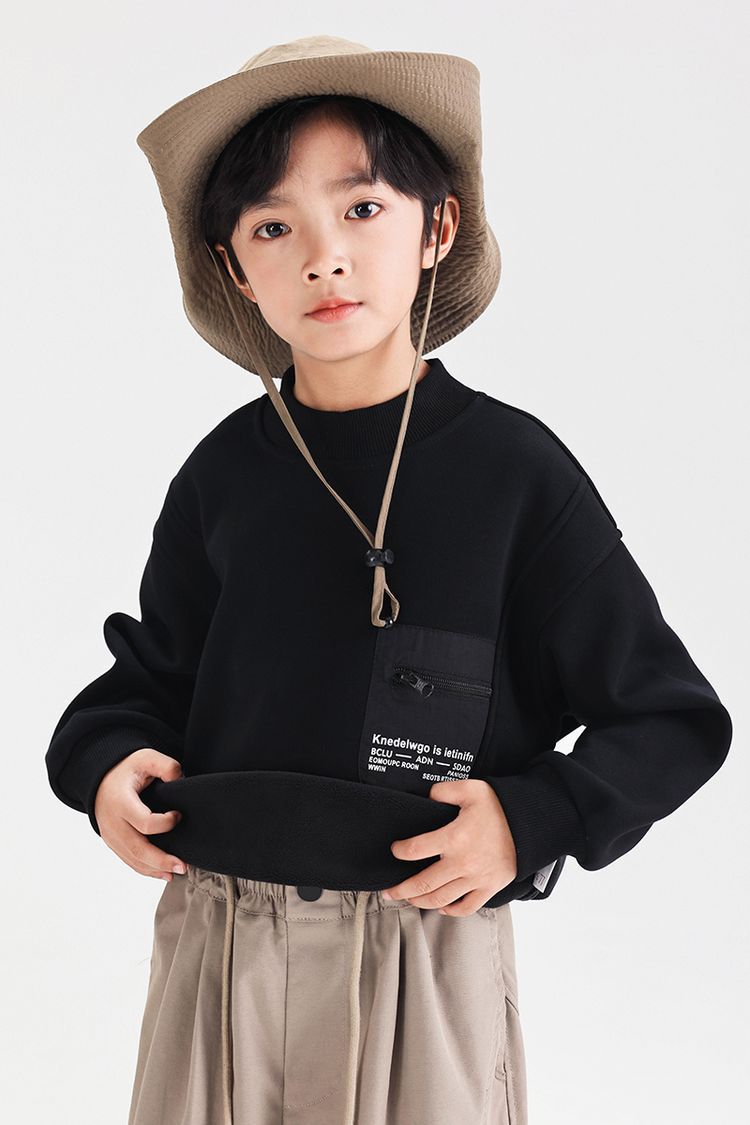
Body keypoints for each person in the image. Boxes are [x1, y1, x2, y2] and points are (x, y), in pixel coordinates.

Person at [45, 35, 733, 1125]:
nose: (325, 258)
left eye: (362, 209)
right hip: (221, 945)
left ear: (438, 228)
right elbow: (146, 682)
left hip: (423, 949)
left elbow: (669, 716)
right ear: (236, 267)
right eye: (274, 227)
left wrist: (532, 818)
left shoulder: (515, 474)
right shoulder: (223, 476)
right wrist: (102, 766)